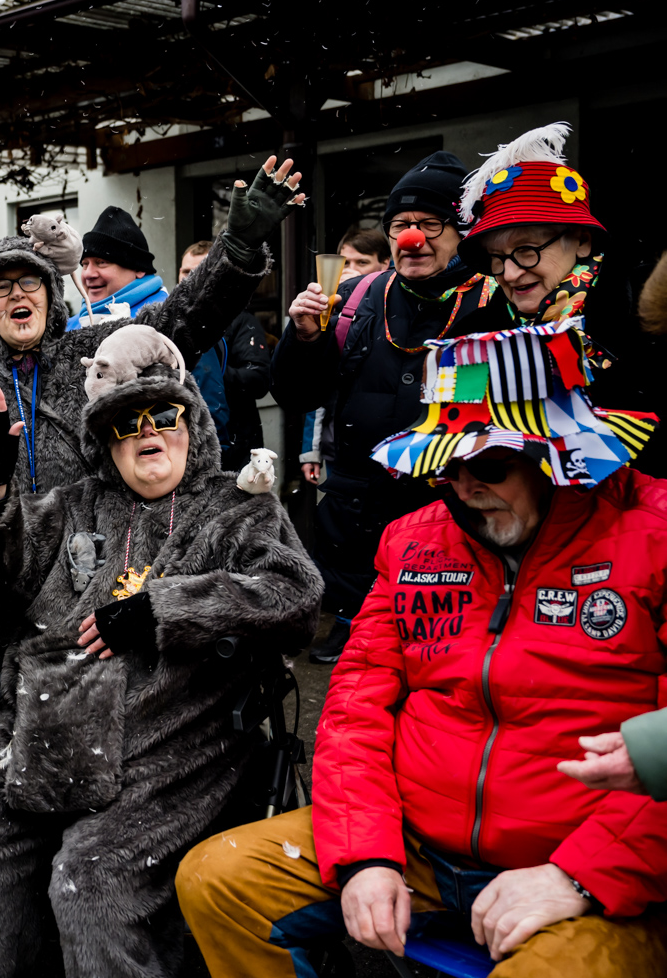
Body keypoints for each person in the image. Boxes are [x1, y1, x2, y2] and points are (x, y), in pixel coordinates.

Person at [179, 318, 667, 977]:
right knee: (219, 878)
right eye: (448, 465)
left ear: (556, 454)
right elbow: (354, 708)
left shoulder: (651, 536)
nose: (465, 485)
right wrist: (365, 855)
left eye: (489, 462)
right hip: (416, 846)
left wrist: (578, 876)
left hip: (584, 870)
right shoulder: (415, 542)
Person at [0, 326, 321, 978]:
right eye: (125, 423)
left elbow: (295, 596)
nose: (148, 431)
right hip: (41, 733)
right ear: (105, 443)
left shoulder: (235, 509)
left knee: (92, 879)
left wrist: (166, 609)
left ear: (190, 421)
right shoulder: (71, 508)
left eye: (165, 414)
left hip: (170, 745)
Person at [0, 156, 304, 707]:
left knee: (120, 723)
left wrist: (235, 250)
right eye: (0, 288)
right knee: (20, 733)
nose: (17, 295)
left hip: (109, 588)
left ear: (50, 291)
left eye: (29, 281)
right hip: (9, 602)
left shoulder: (97, 354)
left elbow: (183, 318)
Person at [272, 150, 501, 663]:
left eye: (429, 223)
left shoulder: (496, 301)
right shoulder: (356, 296)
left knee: (443, 665)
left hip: (452, 524)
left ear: (463, 230)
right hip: (357, 525)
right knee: (366, 676)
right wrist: (304, 338)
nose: (410, 238)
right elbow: (298, 394)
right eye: (400, 224)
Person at [456, 121, 664, 477]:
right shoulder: (472, 338)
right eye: (496, 257)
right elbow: (457, 438)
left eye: (526, 250)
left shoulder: (649, 320)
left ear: (581, 240)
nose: (508, 273)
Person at [71, 210, 231, 434]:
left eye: (102, 262)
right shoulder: (72, 326)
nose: (88, 273)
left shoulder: (172, 318)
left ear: (138, 269)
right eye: (84, 264)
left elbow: (210, 410)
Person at [299, 227, 390, 485]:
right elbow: (316, 385)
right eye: (345, 262)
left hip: (388, 443)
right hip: (338, 444)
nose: (352, 269)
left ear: (384, 264)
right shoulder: (332, 308)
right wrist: (311, 452)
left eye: (362, 262)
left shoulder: (394, 303)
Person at [181, 239, 271, 470]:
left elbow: (258, 379)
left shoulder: (241, 321)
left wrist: (208, 373)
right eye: (185, 272)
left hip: (236, 447)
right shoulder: (174, 322)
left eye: (199, 271)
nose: (191, 278)